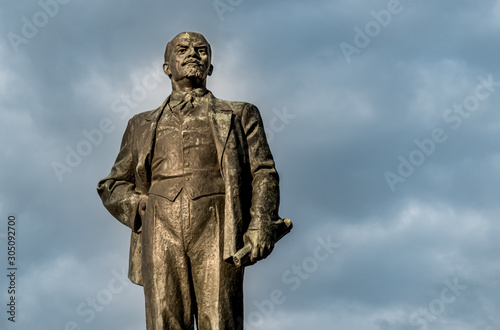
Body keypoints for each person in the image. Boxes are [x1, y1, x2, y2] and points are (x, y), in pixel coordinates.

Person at [97, 31, 282, 329]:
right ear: (167, 66)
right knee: (164, 320)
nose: (193, 54)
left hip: (218, 223)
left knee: (220, 319)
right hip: (160, 226)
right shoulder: (140, 125)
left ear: (210, 66)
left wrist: (260, 224)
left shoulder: (240, 114)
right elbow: (112, 184)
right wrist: (143, 208)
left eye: (202, 50)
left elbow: (263, 172)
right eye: (182, 49)